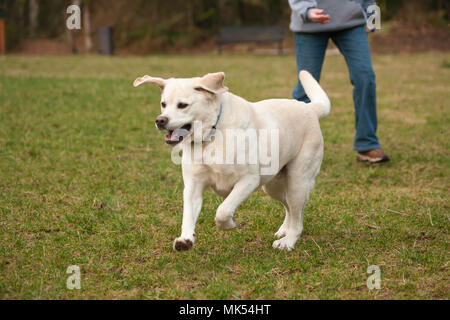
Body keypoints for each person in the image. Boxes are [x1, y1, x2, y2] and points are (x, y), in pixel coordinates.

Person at [289, 0, 389, 163]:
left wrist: (373, 17)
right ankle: (296, 148)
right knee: (306, 87)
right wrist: (306, 11)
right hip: (309, 26)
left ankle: (367, 144)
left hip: (352, 23)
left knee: (365, 78)